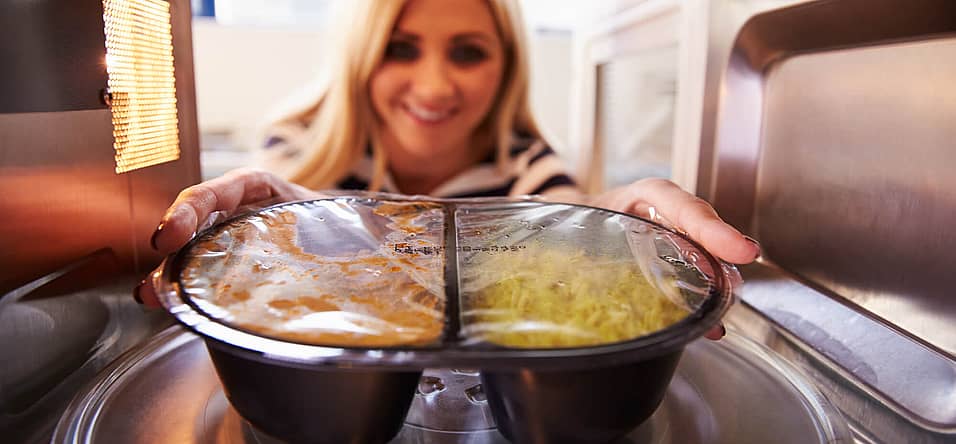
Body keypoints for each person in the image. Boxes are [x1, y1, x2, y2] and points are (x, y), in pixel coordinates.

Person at [136, 0, 759, 340]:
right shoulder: (293, 153)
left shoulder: (526, 170)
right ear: (359, 59)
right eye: (401, 49)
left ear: (506, 67)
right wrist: (274, 233)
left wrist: (618, 233)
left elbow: (568, 216)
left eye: (468, 52)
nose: (434, 87)